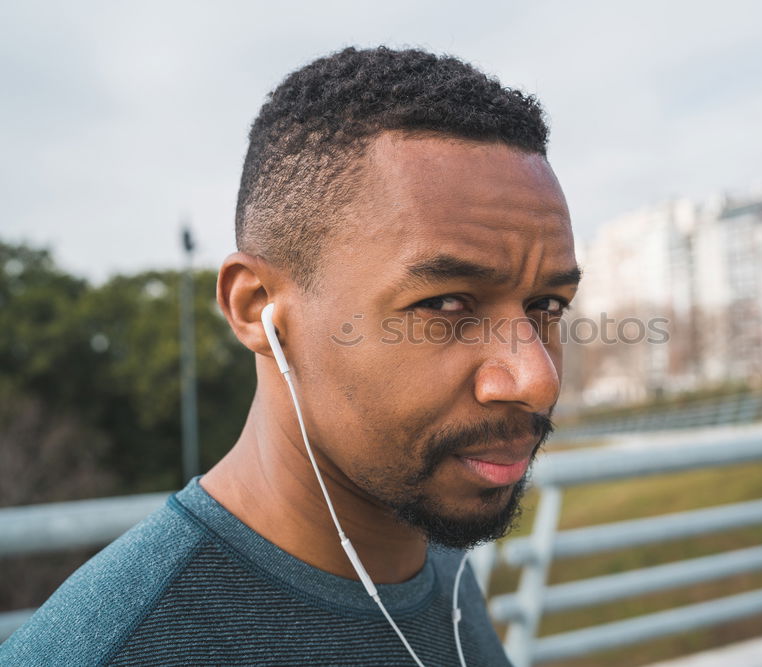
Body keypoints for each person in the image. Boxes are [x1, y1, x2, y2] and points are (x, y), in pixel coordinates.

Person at [1, 46, 579, 666]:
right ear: (256, 308)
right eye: (446, 305)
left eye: (546, 305)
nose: (536, 379)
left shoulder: (440, 565)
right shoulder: (108, 650)